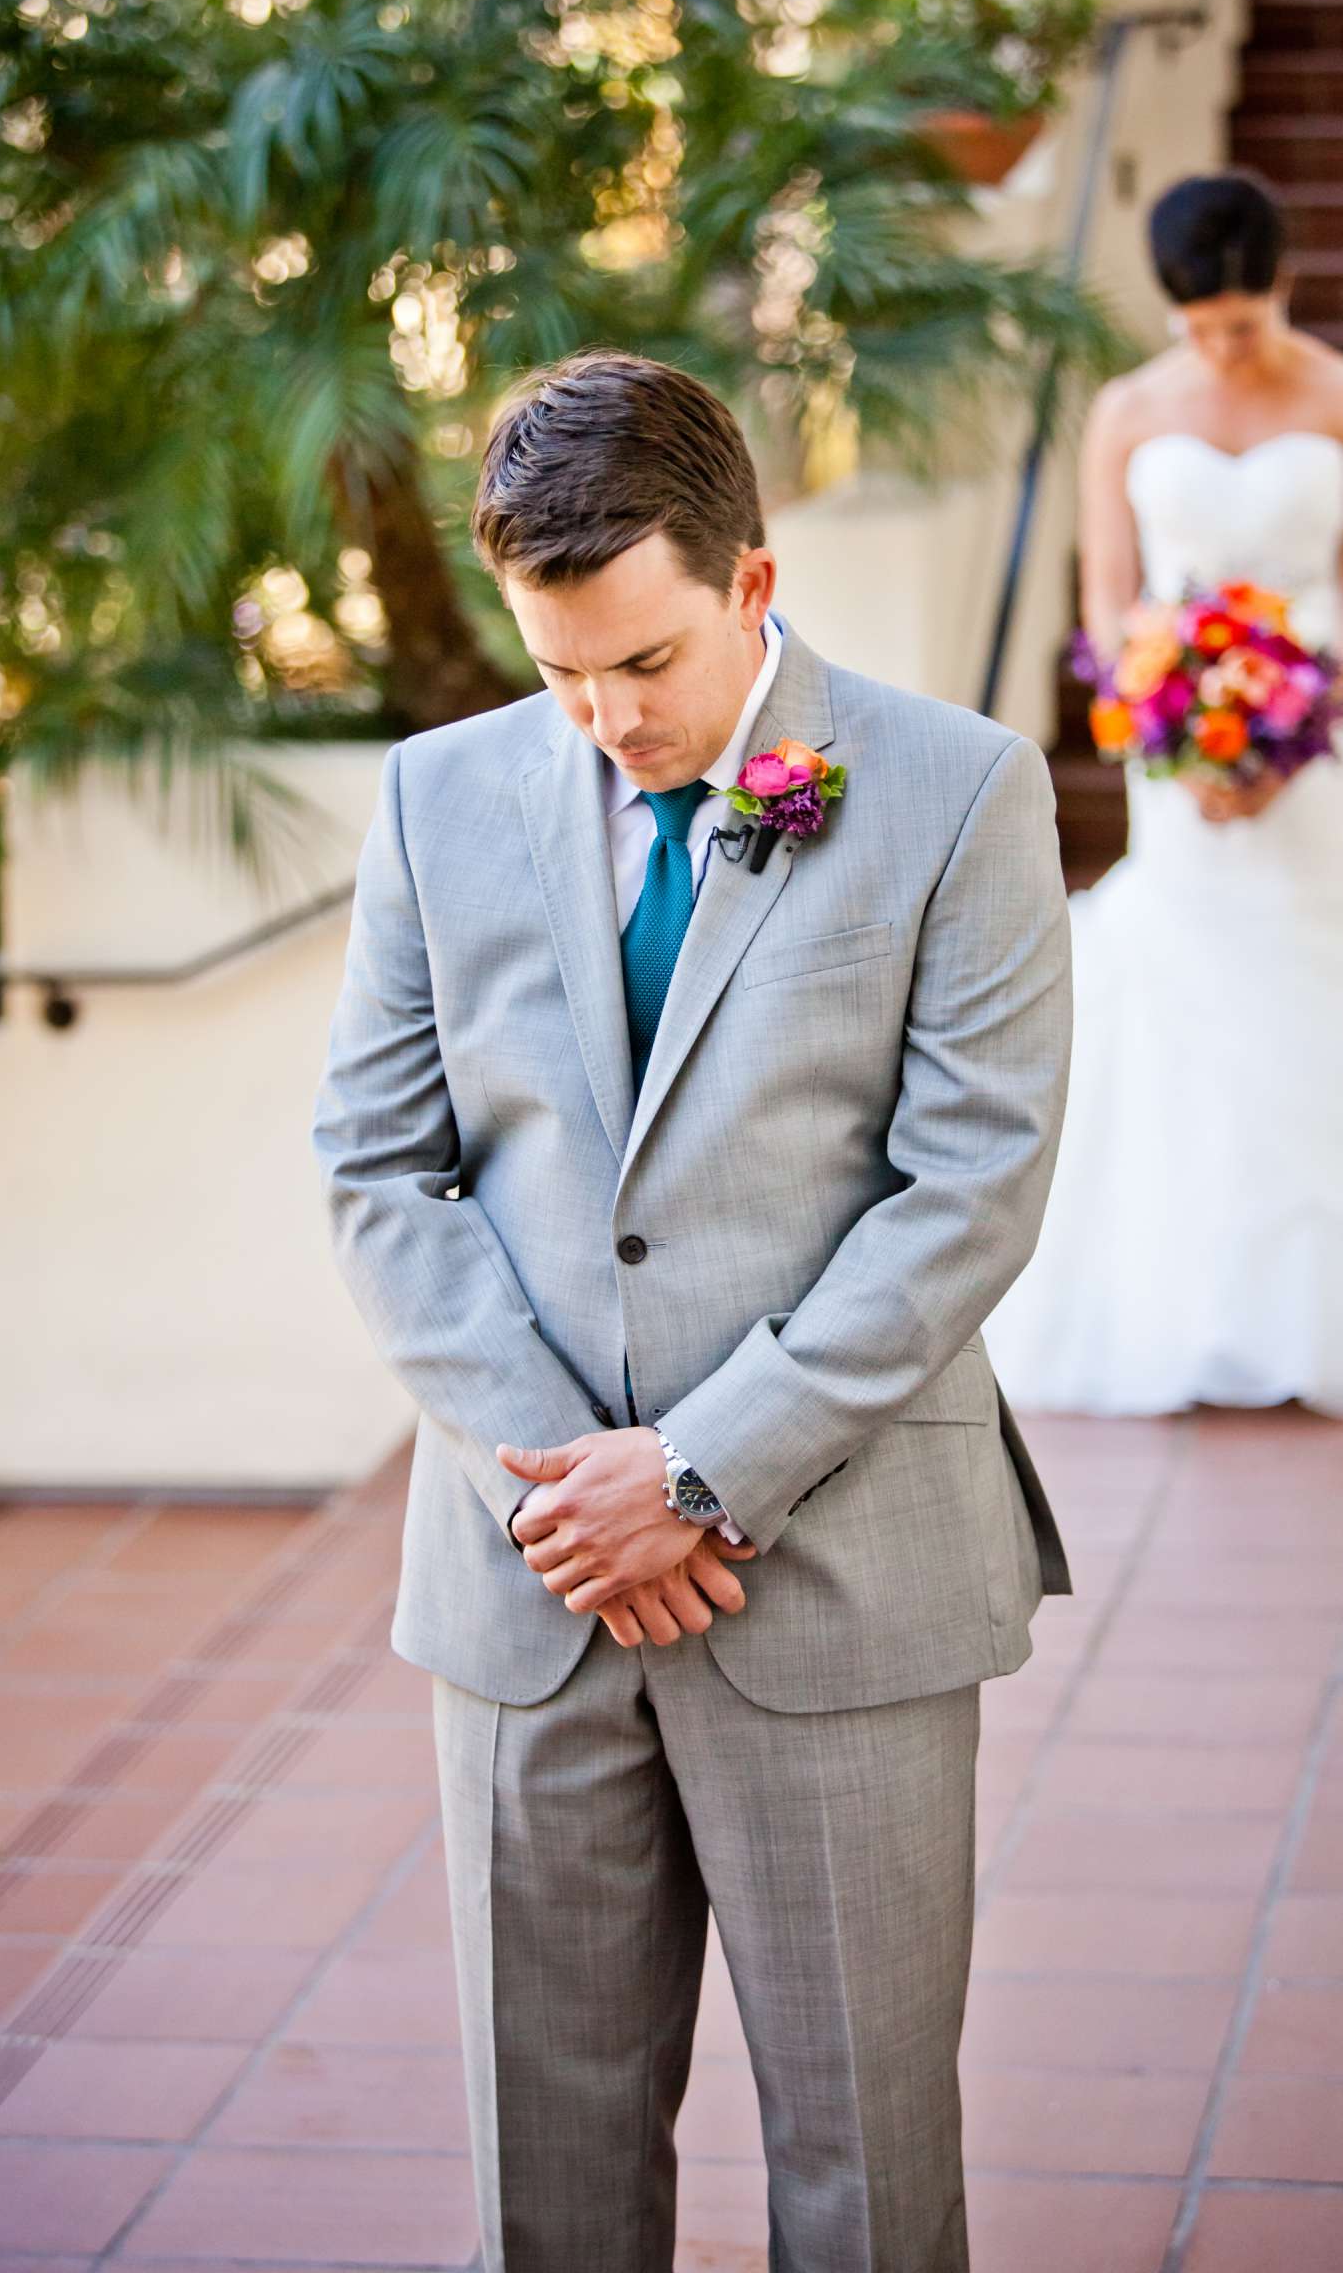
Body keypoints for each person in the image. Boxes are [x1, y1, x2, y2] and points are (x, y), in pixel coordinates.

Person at [311, 349, 1074, 2272]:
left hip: (834, 1584)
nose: (595, 714)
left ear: (751, 583)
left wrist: (707, 1469)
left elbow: (968, 1189)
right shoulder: (436, 796)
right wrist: (571, 1487)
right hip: (529, 1579)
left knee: (866, 2173)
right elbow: (379, 1170)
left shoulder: (959, 791)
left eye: (641, 665)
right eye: (558, 666)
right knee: (545, 2181)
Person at [984, 170, 1343, 1418]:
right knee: (1192, 971)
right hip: (1173, 732)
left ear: (1282, 283)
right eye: (1202, 326)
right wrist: (1175, 725)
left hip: (1322, 722)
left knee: (1312, 954)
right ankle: (1197, 1294)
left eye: (1245, 318)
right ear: (1172, 309)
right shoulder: (1125, 410)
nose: (1225, 345)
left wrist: (1299, 716)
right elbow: (1110, 600)